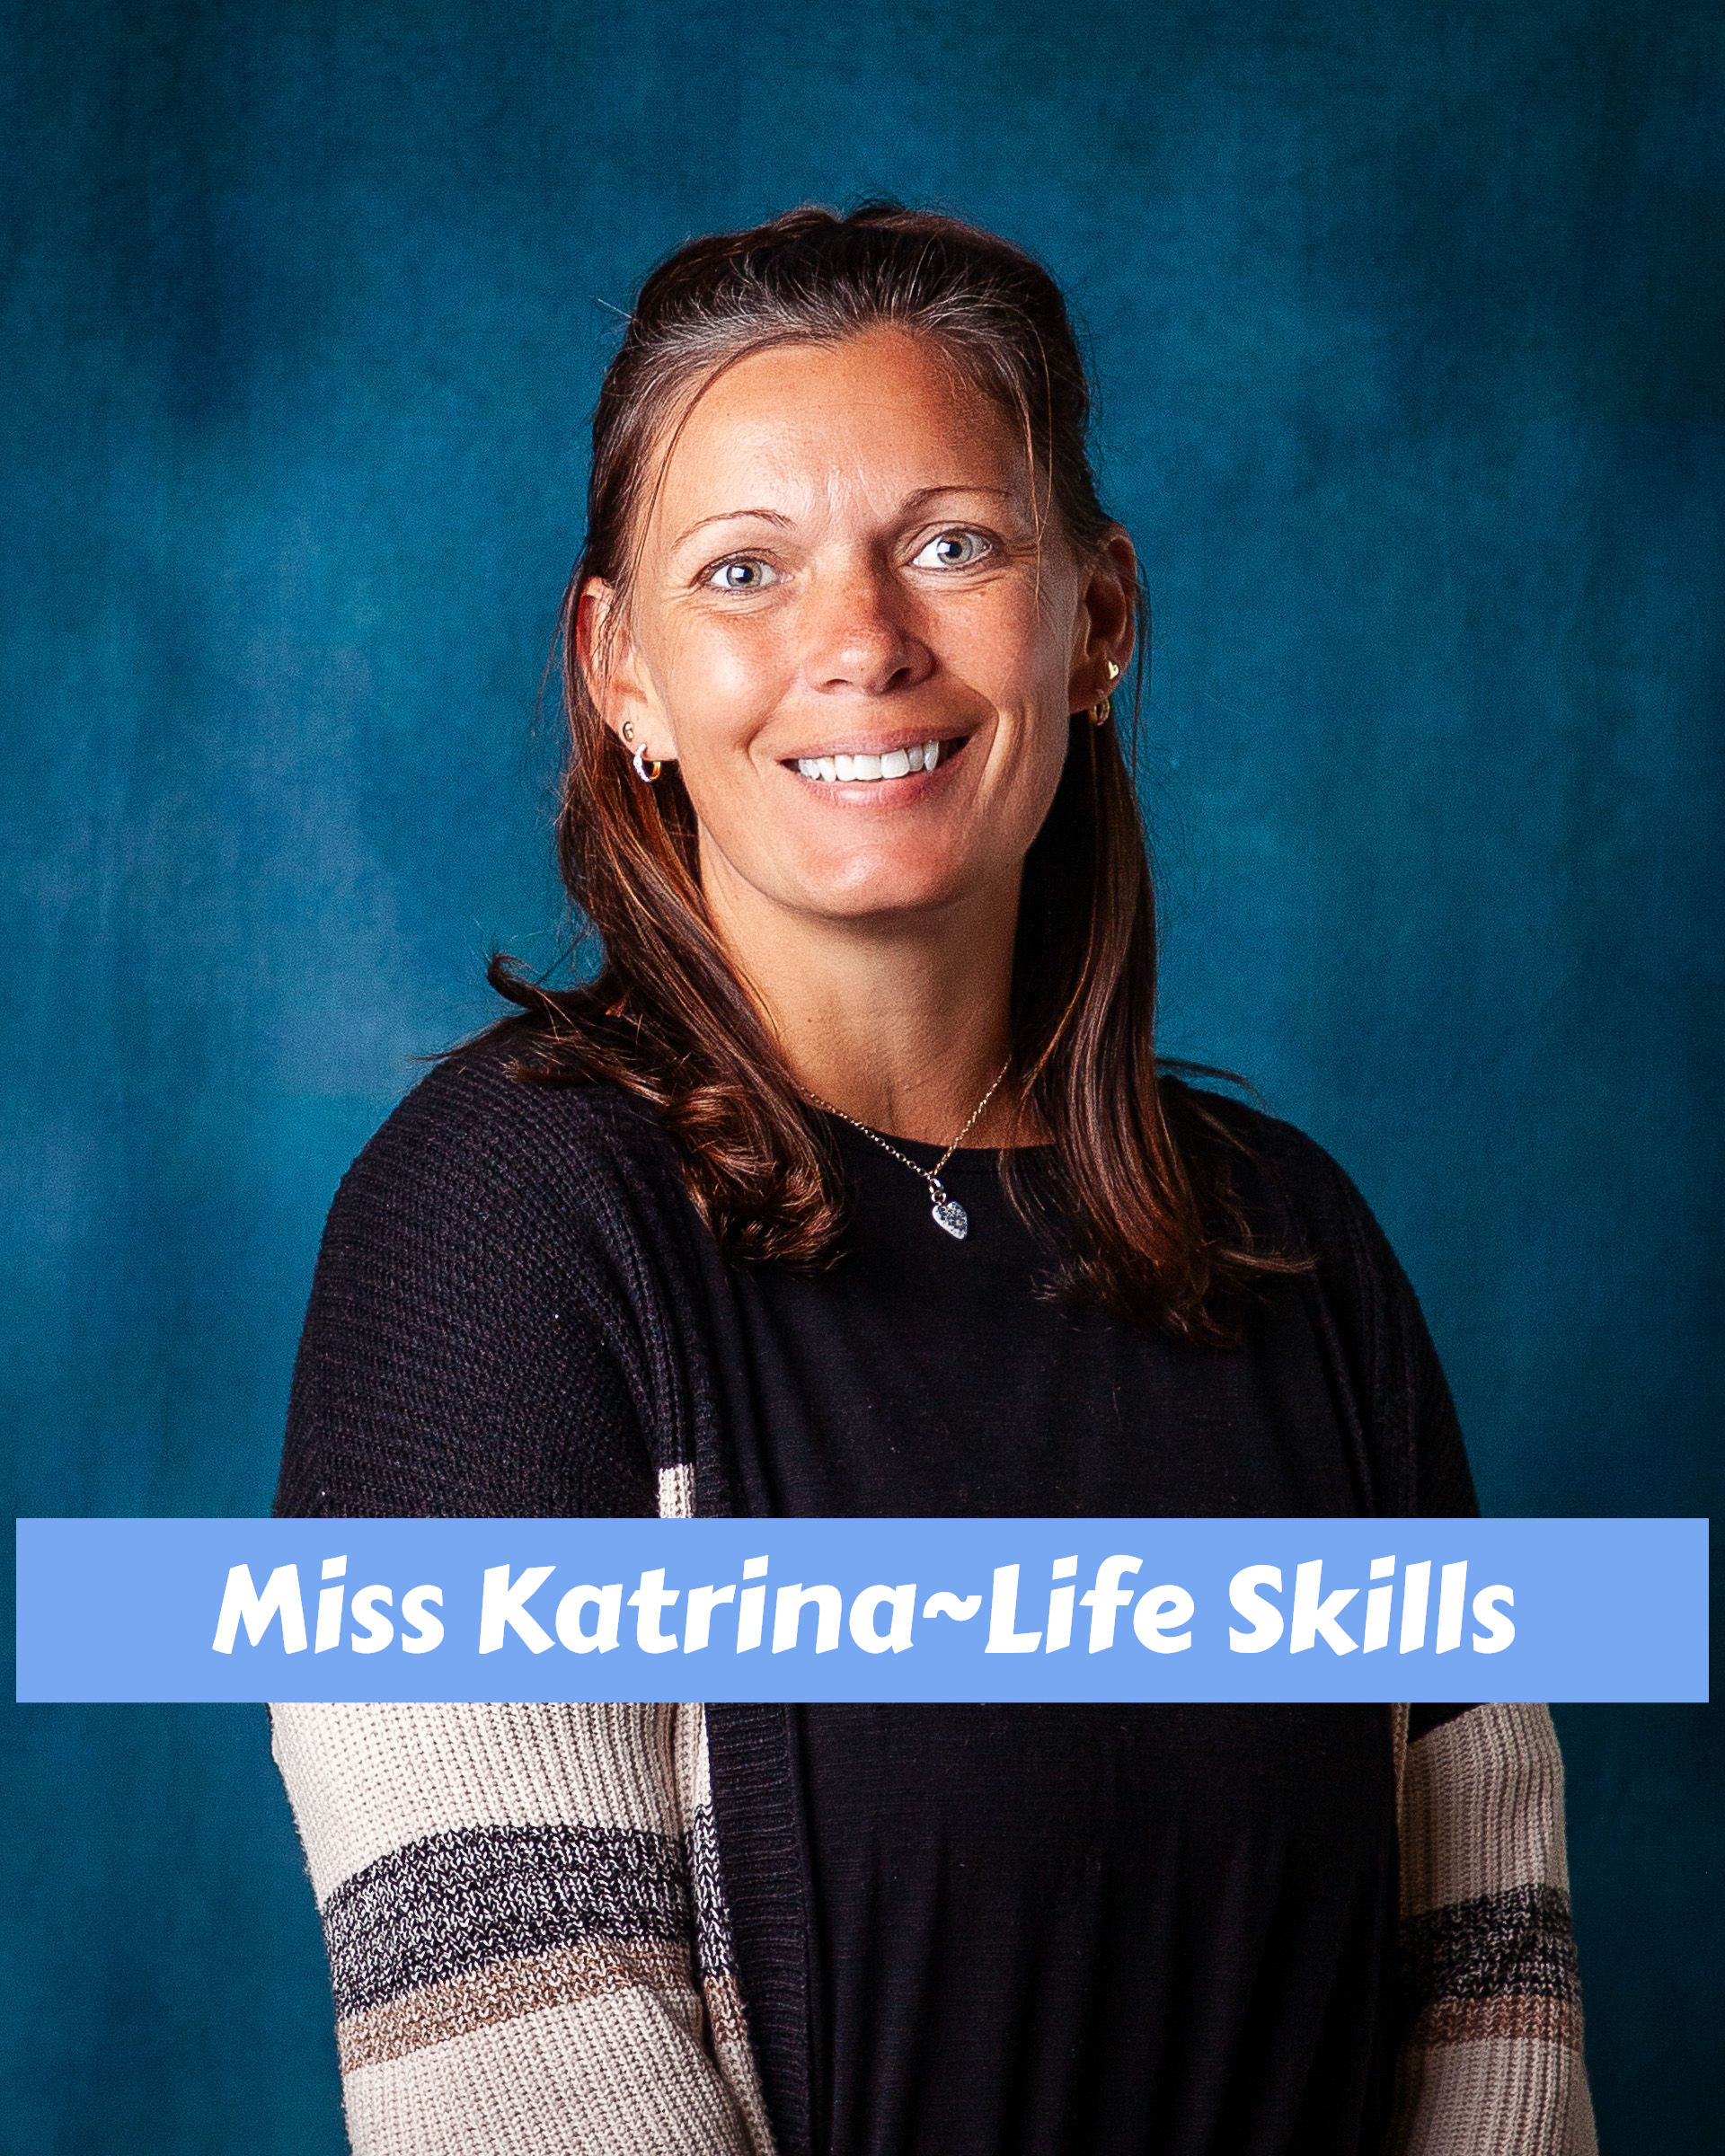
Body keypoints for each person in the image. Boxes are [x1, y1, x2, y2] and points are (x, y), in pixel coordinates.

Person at [270, 203, 1596, 2156]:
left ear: (1100, 617)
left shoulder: (1304, 1255)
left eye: (954, 544)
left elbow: (1499, 2012)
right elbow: (515, 2065)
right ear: (618, 669)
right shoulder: (487, 1239)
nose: (861, 645)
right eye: (744, 570)